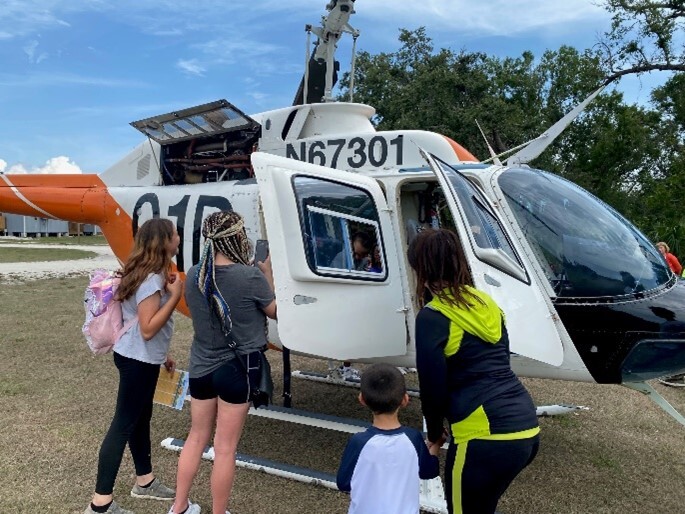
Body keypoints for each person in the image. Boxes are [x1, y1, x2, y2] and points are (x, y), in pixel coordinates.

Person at [407, 228, 540, 514]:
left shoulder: (434, 316)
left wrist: (433, 433)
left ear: (421, 268)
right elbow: (500, 360)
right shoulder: (487, 303)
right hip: (525, 426)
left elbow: (432, 386)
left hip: (484, 435)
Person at [170, 211, 276, 514]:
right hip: (237, 370)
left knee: (196, 436)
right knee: (225, 448)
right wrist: (266, 274)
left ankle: (179, 506)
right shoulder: (250, 276)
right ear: (237, 238)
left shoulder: (193, 275)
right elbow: (274, 311)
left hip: (201, 367)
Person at [84, 218, 183, 514]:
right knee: (124, 424)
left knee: (139, 420)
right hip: (137, 359)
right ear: (164, 241)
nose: (178, 238)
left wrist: (162, 354)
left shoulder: (144, 272)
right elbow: (148, 327)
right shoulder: (152, 277)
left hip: (139, 356)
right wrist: (175, 296)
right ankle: (100, 504)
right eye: (175, 234)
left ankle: (145, 481)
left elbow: (140, 323)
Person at [336, 363, 442, 514]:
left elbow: (344, 483)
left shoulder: (359, 442)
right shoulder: (413, 438)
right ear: (405, 400)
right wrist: (435, 446)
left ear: (362, 399)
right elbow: (429, 471)